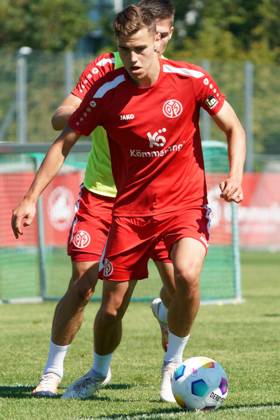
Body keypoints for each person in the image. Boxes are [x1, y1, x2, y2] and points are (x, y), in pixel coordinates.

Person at [12, 5, 246, 402]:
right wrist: (30, 198)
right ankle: (96, 371)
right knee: (109, 308)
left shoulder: (191, 79)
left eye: (139, 48)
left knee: (186, 276)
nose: (133, 59)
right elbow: (62, 143)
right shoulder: (106, 91)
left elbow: (233, 126)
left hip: (183, 206)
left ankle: (172, 368)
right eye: (124, 50)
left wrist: (236, 177)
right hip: (130, 213)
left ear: (159, 40)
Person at [12, 1, 176, 399]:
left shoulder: (175, 78)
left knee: (179, 286)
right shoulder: (106, 70)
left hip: (154, 202)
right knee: (84, 285)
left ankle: (173, 366)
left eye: (168, 35)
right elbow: (60, 117)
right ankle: (52, 373)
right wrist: (97, 107)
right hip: (102, 196)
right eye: (160, 33)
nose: (163, 41)